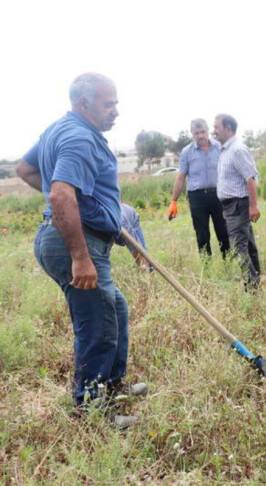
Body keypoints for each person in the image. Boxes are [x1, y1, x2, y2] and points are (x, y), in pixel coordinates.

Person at [15, 73, 146, 427]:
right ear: (83, 103)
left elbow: (25, 169)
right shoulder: (78, 137)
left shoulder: (60, 129)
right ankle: (91, 411)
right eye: (109, 104)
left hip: (68, 237)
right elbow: (59, 193)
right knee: (98, 325)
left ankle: (112, 383)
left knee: (114, 306)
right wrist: (80, 255)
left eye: (116, 103)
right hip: (76, 244)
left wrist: (80, 201)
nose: (116, 111)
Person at [166, 119, 230, 259]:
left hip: (218, 195)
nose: (200, 136)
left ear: (208, 131)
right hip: (197, 197)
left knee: (224, 232)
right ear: (192, 134)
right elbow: (181, 177)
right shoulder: (186, 152)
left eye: (203, 132)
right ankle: (206, 267)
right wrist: (174, 201)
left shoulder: (219, 147)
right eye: (196, 133)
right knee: (202, 234)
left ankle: (229, 265)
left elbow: (227, 172)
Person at [213, 114, 261, 287]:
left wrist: (253, 206)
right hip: (231, 205)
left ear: (228, 128)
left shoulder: (237, 149)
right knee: (247, 244)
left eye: (217, 127)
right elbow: (230, 181)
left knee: (238, 248)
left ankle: (252, 285)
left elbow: (250, 178)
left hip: (239, 204)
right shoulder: (225, 150)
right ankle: (256, 280)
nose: (214, 131)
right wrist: (225, 206)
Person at [116, 203, 151, 270]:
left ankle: (149, 269)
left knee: (142, 251)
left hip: (131, 218)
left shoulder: (122, 222)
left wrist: (142, 265)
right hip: (114, 223)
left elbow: (134, 245)